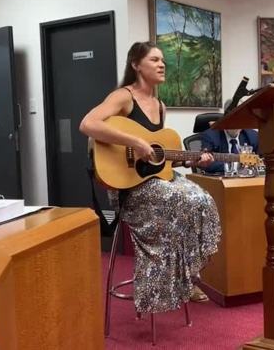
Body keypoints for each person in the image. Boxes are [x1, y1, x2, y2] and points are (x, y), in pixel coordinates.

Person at [79, 41, 221, 311]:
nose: (161, 64)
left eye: (163, 60)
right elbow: (88, 124)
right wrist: (135, 142)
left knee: (202, 200)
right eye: (154, 59)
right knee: (182, 199)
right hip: (130, 189)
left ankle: (186, 274)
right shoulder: (124, 96)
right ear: (136, 65)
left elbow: (158, 161)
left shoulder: (160, 105)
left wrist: (194, 161)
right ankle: (160, 287)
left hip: (154, 181)